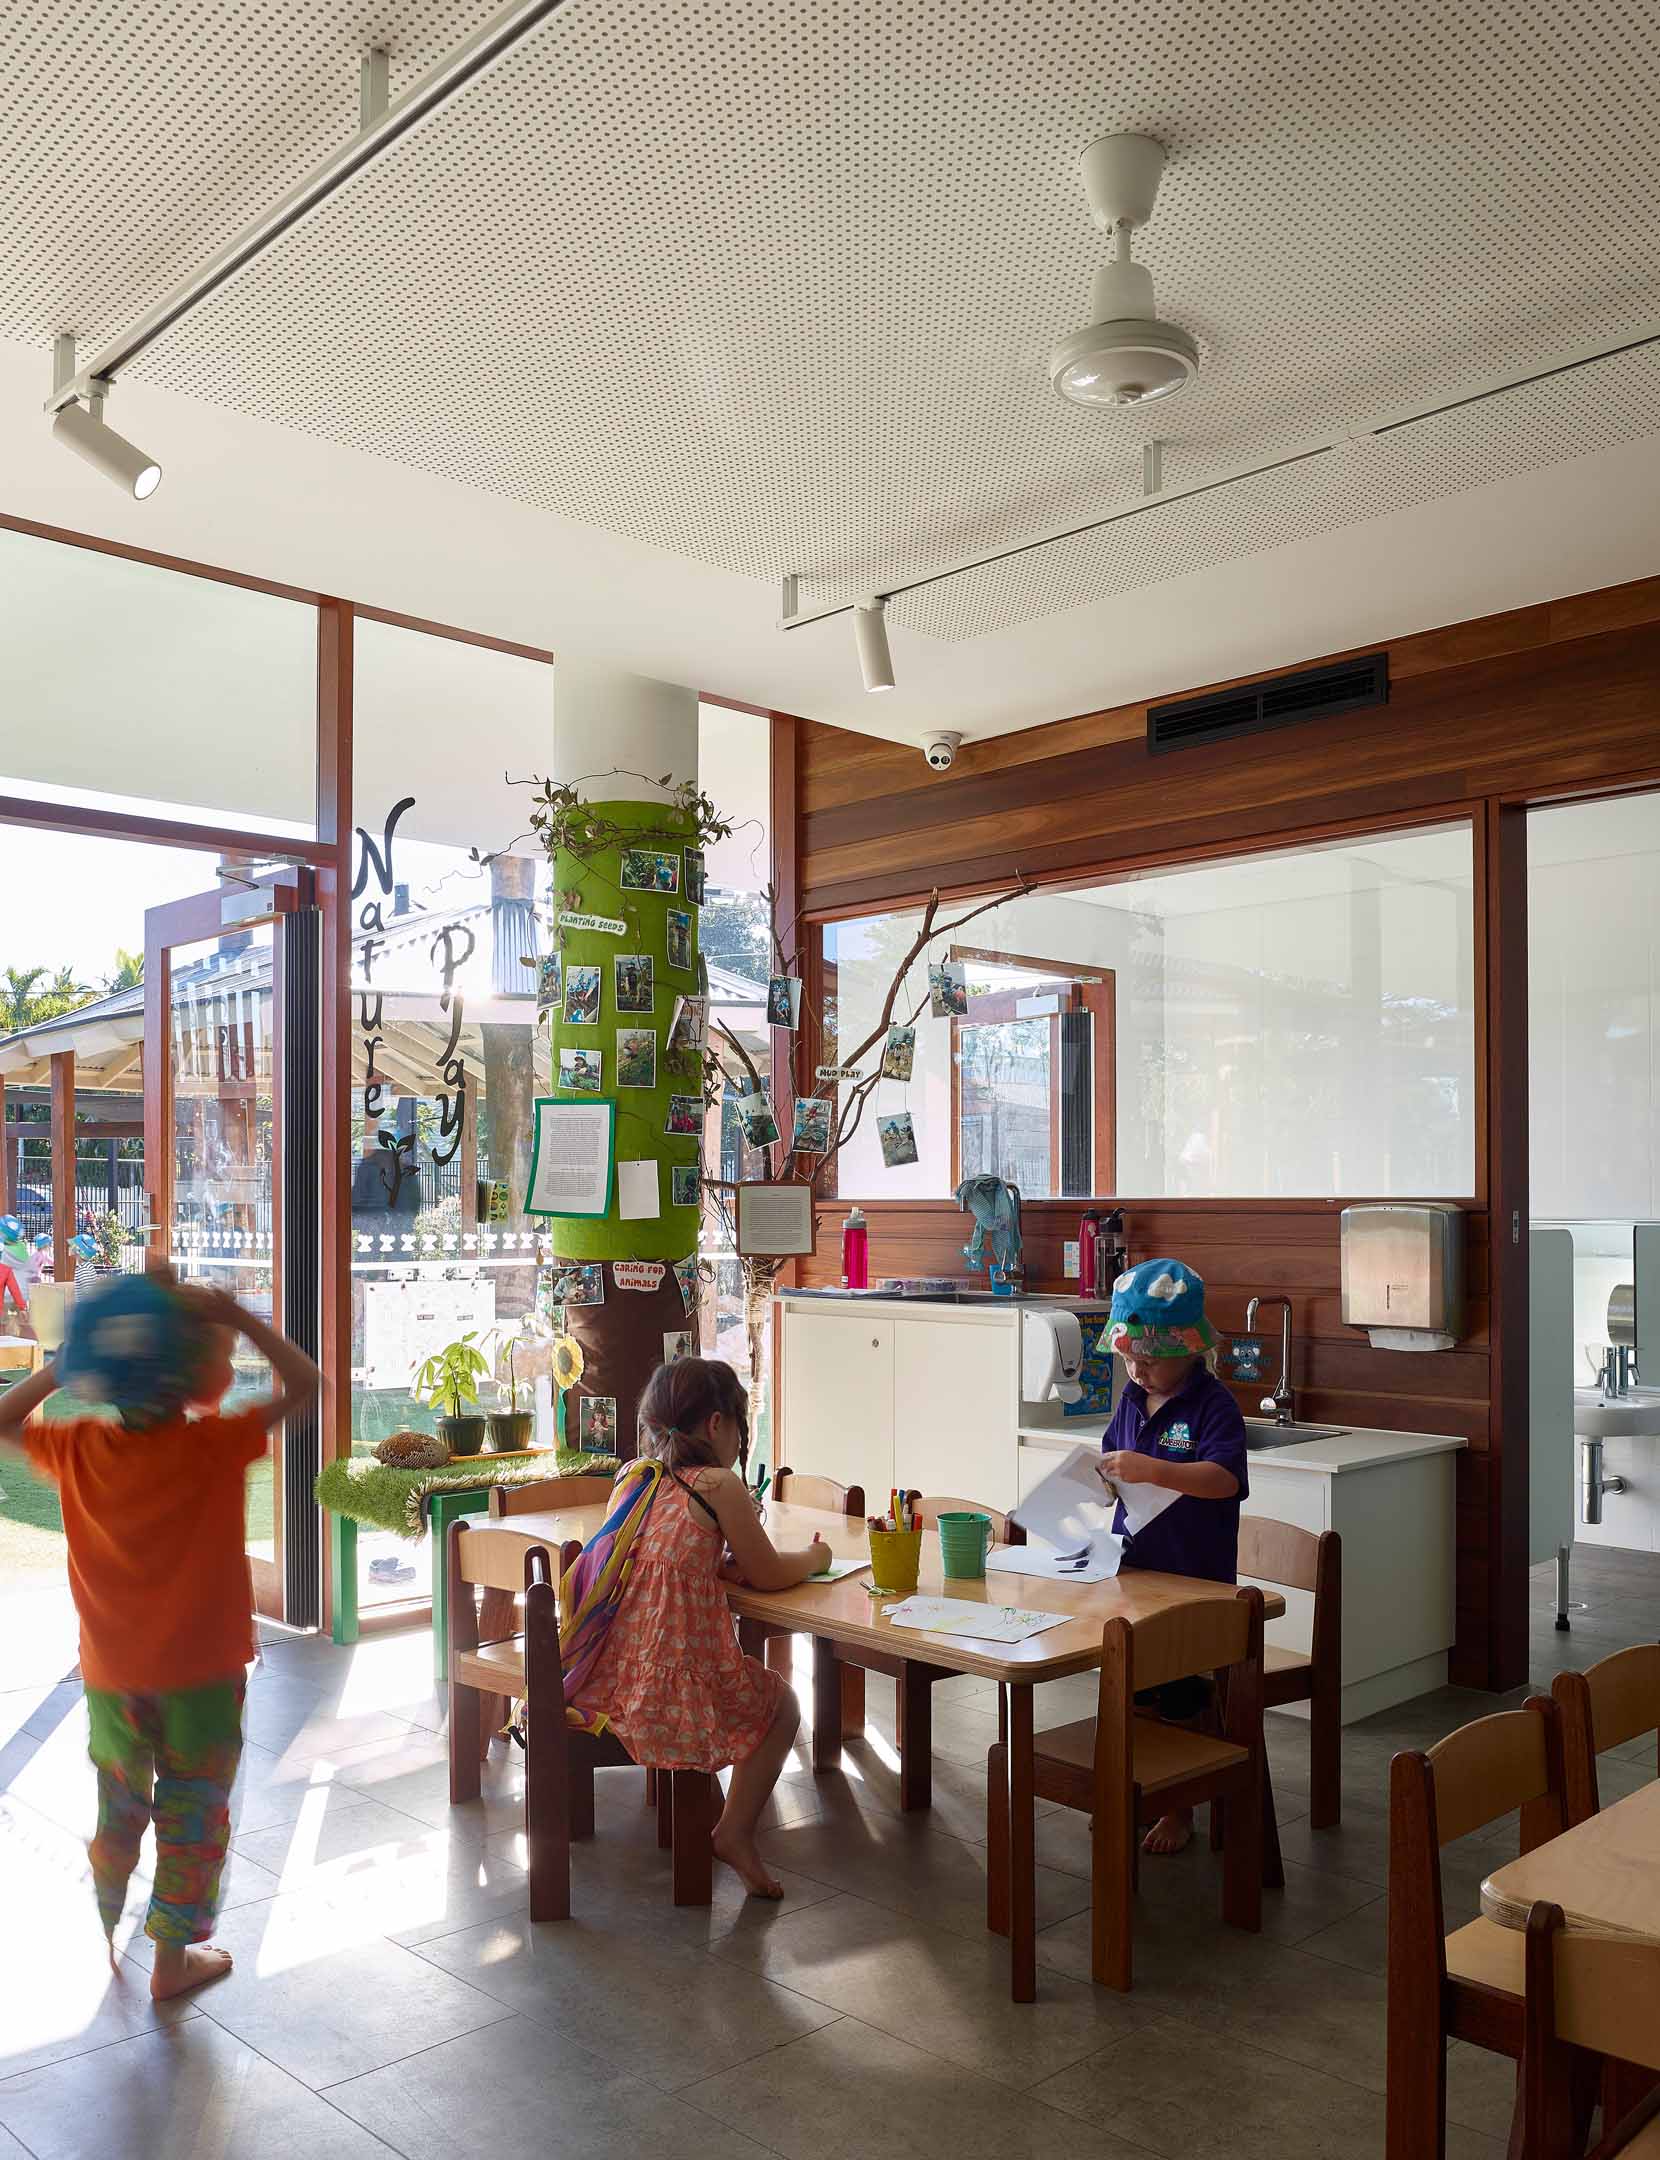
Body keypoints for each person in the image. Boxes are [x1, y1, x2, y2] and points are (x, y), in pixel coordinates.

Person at [0, 1273, 320, 1999]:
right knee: (193, 1810)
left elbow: (2, 1420)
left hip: (113, 1673)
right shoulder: (217, 1444)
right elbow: (306, 1385)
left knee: (120, 1799)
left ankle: (109, 1912)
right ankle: (172, 1962)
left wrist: (64, 1365)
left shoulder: (80, 1448)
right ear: (197, 1368)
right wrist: (244, 1316)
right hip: (204, 1674)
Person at [568, 1356, 831, 1898]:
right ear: (716, 1424)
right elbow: (768, 1573)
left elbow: (662, 1557)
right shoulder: (717, 1484)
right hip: (672, 1694)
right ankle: (734, 1831)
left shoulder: (635, 1477)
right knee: (782, 1705)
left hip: (610, 1678)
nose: (737, 1441)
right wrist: (815, 1557)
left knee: (731, 1686)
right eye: (738, 1428)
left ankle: (717, 1817)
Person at [1094, 1256, 1247, 1857]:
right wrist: (1103, 1478)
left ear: (1190, 1349)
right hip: (1135, 1570)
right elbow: (1114, 1459)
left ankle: (1181, 1807)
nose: (1138, 1369)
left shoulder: (1213, 1405)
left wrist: (1154, 1470)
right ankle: (1136, 1788)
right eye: (1129, 1357)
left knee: (1182, 1691)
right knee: (1134, 1688)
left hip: (1194, 1577)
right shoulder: (1132, 1399)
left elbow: (1224, 1479)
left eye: (1151, 1360)